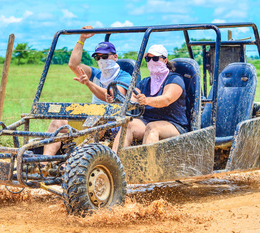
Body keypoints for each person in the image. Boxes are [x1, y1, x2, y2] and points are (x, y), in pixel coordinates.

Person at [43, 26, 132, 157]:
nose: (101, 60)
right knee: (57, 122)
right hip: (94, 117)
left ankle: (74, 160)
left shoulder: (125, 77)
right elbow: (73, 65)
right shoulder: (96, 74)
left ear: (115, 57)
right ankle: (45, 164)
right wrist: (82, 39)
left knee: (95, 124)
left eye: (105, 56)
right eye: (97, 57)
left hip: (114, 121)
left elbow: (113, 96)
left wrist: (88, 84)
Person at [112, 44, 188, 153]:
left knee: (153, 128)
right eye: (148, 58)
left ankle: (147, 167)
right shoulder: (146, 82)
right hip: (148, 121)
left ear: (165, 60)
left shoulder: (175, 79)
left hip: (174, 124)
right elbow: (133, 98)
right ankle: (115, 163)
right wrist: (117, 99)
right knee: (128, 124)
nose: (151, 61)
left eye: (155, 58)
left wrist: (147, 100)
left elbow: (166, 99)